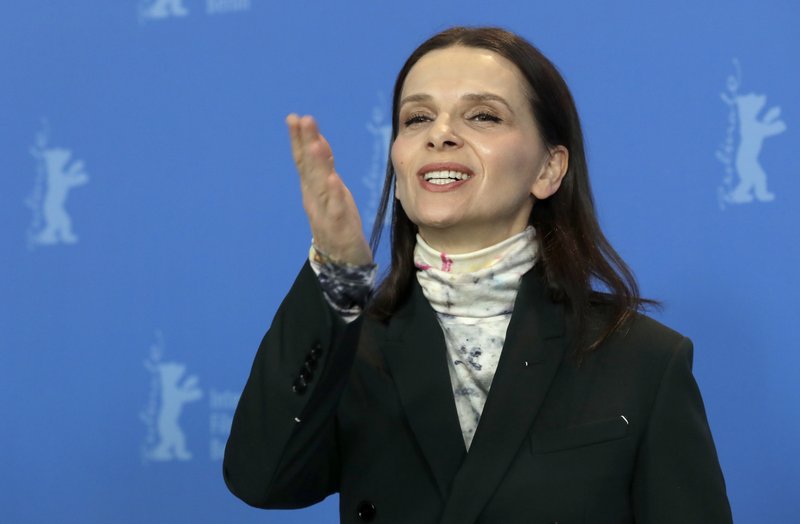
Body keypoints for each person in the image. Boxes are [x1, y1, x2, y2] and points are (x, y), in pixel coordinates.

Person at [223, 26, 733, 523]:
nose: (440, 134)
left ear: (548, 170)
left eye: (483, 116)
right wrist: (340, 273)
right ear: (397, 164)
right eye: (417, 117)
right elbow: (263, 481)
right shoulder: (350, 345)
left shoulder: (644, 358)